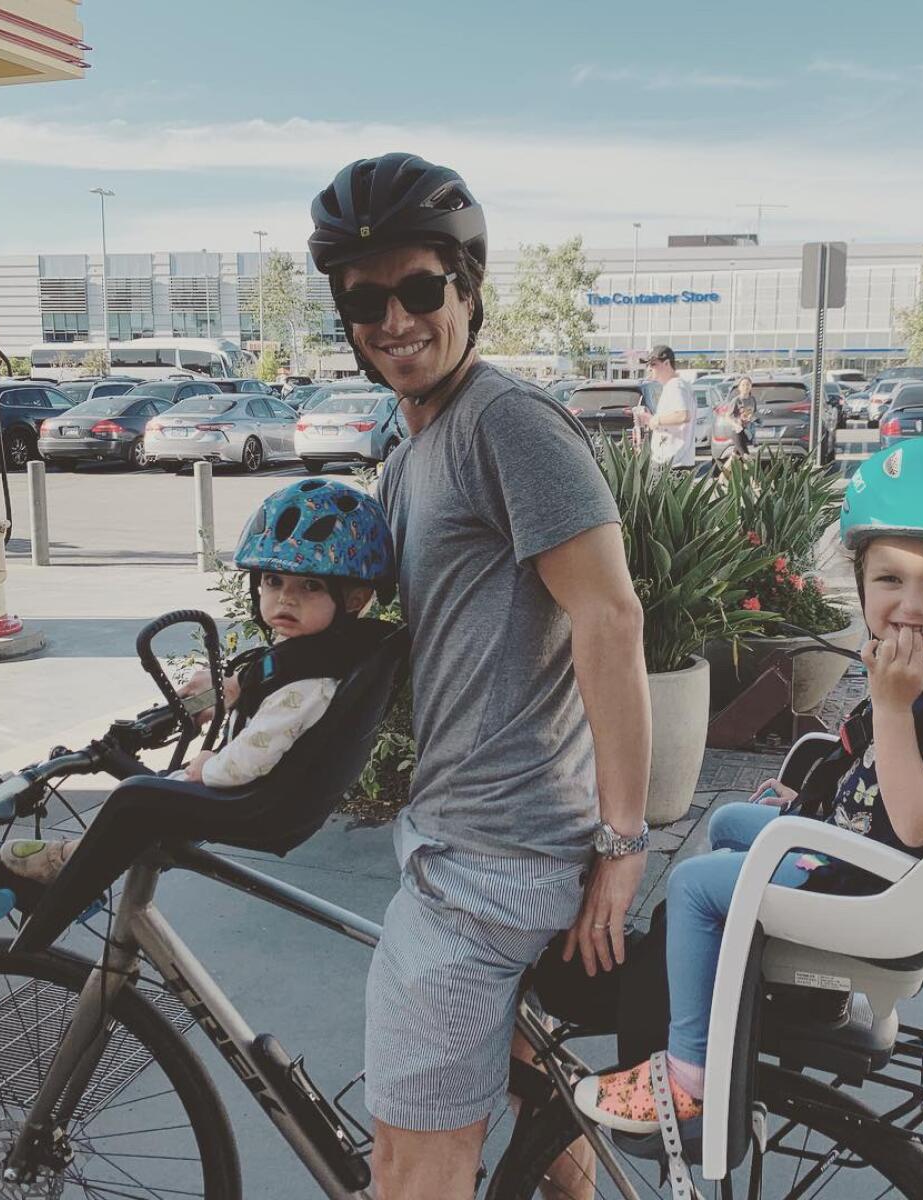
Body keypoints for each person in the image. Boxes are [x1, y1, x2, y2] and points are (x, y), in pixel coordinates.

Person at [309, 152, 651, 1200]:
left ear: (469, 292)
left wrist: (623, 845)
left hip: (489, 860)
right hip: (476, 834)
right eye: (368, 299)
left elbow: (609, 613)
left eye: (422, 290)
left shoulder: (506, 422)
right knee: (529, 1096)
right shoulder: (413, 445)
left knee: (413, 1161)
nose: (395, 319)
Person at [573, 437, 923, 1134]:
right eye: (890, 580)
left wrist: (894, 705)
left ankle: (686, 1074)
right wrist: (808, 800)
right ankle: (739, 983)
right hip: (855, 852)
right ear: (862, 580)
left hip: (876, 886)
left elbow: (914, 824)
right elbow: (868, 775)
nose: (911, 604)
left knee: (697, 889)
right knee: (729, 824)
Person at [0, 478, 396, 900]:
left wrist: (208, 767)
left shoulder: (307, 686)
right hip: (277, 801)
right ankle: (75, 857)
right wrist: (231, 689)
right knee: (153, 793)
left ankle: (66, 875)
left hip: (258, 805)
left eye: (310, 586)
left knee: (134, 798)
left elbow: (251, 757)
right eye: (273, 581)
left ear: (355, 598)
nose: (286, 599)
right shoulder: (325, 653)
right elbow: (274, 674)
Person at [644, 344, 697, 470]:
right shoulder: (677, 385)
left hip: (672, 462)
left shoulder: (676, 386)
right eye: (648, 365)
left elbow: (683, 415)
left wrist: (655, 421)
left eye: (653, 364)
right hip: (675, 460)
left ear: (667, 363)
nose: (649, 369)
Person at [728, 375, 755, 458]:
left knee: (735, 456)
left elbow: (753, 413)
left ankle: (727, 470)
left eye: (747, 384)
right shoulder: (736, 400)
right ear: (739, 387)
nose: (745, 387)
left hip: (746, 432)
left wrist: (751, 418)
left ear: (750, 387)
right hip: (737, 431)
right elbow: (727, 416)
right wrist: (736, 424)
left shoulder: (752, 399)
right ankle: (751, 470)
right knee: (746, 455)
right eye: (743, 385)